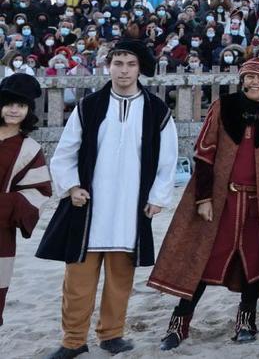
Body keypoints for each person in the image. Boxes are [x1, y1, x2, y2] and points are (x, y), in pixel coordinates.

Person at [38, 39, 178, 359]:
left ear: (140, 68)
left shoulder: (157, 111)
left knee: (120, 279)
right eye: (118, 63)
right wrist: (72, 187)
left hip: (131, 208)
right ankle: (74, 340)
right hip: (88, 207)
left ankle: (112, 334)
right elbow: (64, 154)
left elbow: (169, 160)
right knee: (78, 280)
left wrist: (158, 197)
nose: (124, 70)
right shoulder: (90, 106)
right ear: (108, 66)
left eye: (130, 64)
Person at [148, 58, 259, 348]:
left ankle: (246, 320)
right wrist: (203, 197)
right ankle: (179, 322)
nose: (254, 82)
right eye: (249, 77)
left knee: (254, 260)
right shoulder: (224, 107)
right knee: (202, 258)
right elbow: (204, 152)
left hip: (258, 204)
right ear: (242, 80)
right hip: (221, 199)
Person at [0, 73, 52, 327]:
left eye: (20, 105)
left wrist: (5, 205)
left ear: (28, 110)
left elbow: (38, 192)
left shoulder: (29, 149)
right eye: (8, 103)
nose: (13, 110)